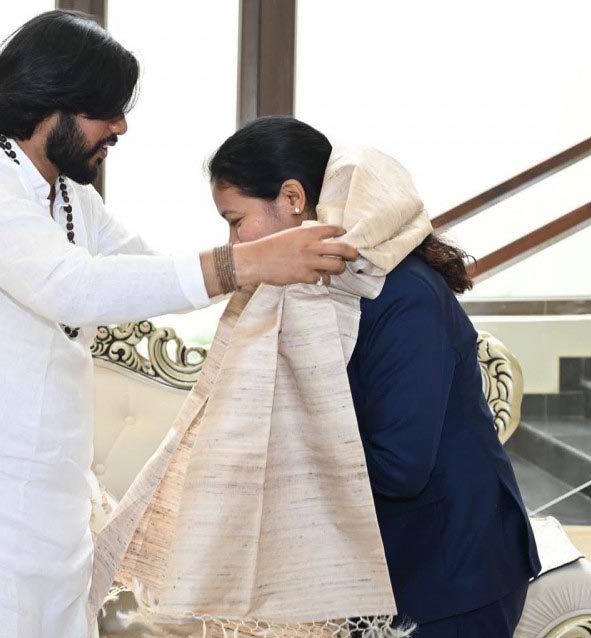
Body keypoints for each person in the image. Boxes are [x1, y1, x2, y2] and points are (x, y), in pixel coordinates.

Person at [0, 12, 358, 638]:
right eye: (107, 110)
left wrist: (278, 254)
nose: (120, 127)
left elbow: (142, 273)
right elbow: (73, 288)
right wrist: (248, 262)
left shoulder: (71, 197)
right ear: (51, 100)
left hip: (49, 527)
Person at [206, 116, 541, 637]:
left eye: (235, 220)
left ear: (292, 198)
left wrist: (280, 448)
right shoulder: (323, 288)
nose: (233, 242)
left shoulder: (402, 295)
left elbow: (401, 467)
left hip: (452, 575)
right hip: (388, 566)